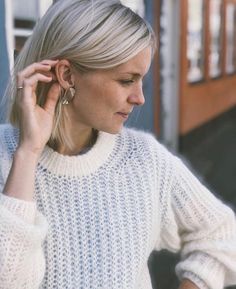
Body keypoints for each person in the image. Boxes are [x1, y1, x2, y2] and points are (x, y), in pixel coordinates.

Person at [0, 0, 236, 288]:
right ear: (67, 75)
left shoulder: (144, 159)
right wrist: (28, 152)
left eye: (141, 80)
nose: (140, 98)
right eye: (126, 80)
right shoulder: (6, 158)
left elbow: (222, 231)